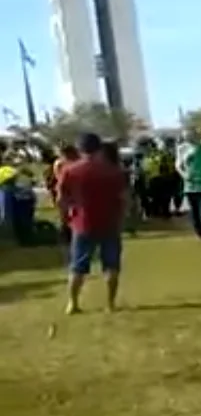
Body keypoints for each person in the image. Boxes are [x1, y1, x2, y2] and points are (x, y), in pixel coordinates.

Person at [58, 132, 128, 314]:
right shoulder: (113, 171)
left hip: (82, 223)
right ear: (99, 149)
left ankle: (72, 304)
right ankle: (110, 304)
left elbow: (62, 199)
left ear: (80, 149)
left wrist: (66, 218)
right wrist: (121, 217)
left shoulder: (70, 170)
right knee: (111, 265)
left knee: (78, 266)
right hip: (110, 222)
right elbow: (123, 198)